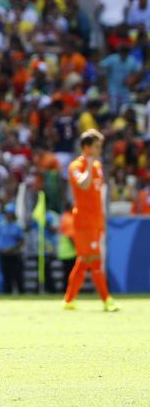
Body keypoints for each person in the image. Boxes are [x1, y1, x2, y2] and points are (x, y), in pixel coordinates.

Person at [62, 130, 120, 311]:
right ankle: (106, 300)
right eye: (96, 146)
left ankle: (69, 300)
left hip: (96, 220)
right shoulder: (75, 166)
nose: (99, 150)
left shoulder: (97, 166)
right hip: (84, 221)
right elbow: (83, 185)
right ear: (86, 147)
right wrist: (88, 164)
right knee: (94, 260)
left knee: (83, 261)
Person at [0, 204, 24, 295]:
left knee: (17, 275)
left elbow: (22, 240)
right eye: (7, 213)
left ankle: (21, 294)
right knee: (6, 276)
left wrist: (12, 249)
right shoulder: (0, 225)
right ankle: (7, 294)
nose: (8, 215)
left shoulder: (17, 226)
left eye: (10, 213)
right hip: (4, 254)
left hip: (15, 254)